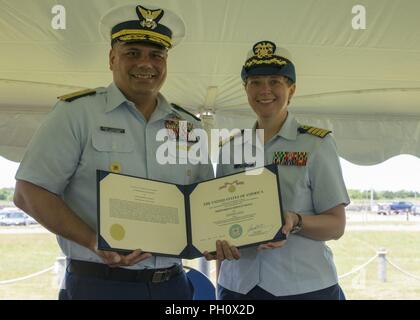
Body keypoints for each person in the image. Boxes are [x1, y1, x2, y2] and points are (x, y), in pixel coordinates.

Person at [13, 3, 213, 300]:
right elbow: (29, 192)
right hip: (99, 285)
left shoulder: (189, 127)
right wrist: (94, 241)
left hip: (172, 285)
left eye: (156, 55)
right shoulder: (77, 113)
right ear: (111, 58)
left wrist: (217, 234)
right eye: (133, 53)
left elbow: (205, 202)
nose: (146, 63)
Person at [205, 40, 350, 300]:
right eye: (256, 82)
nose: (265, 90)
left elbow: (336, 225)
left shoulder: (316, 144)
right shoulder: (230, 148)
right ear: (245, 88)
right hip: (238, 287)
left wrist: (295, 221)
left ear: (291, 90)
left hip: (304, 287)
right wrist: (220, 283)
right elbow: (220, 222)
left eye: (275, 81)